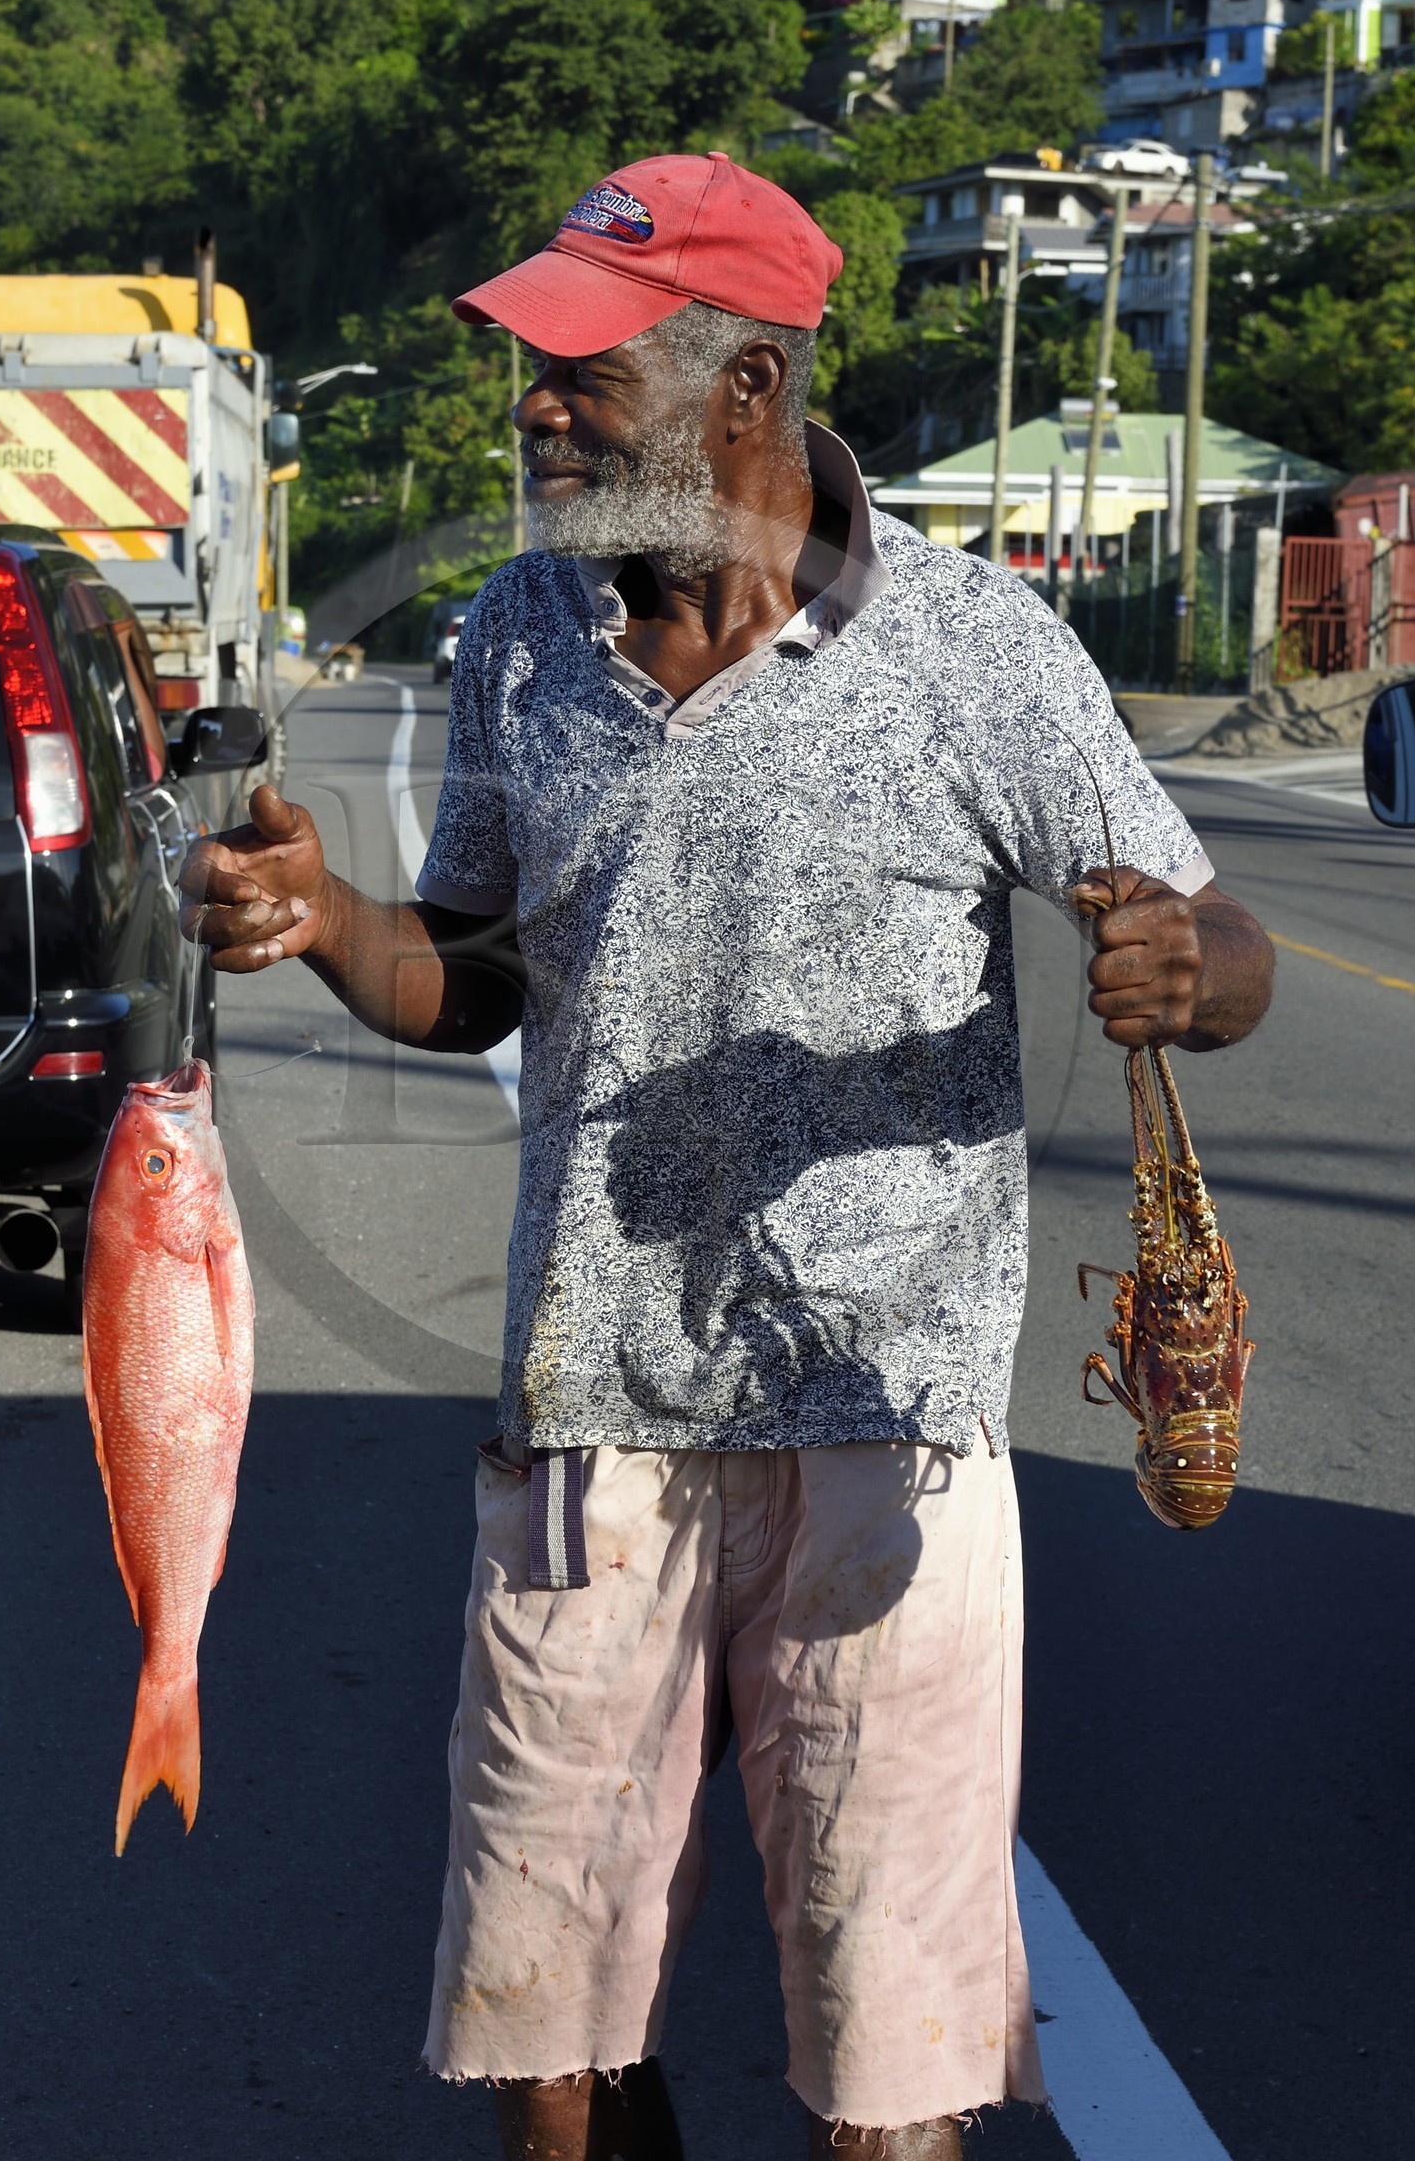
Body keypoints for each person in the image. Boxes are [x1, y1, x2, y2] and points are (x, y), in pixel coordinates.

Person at [180, 151, 1274, 2158]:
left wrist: (1173, 968)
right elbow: (480, 978)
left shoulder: (974, 650)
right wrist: (323, 917)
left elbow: (1220, 939)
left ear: (745, 395)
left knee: (888, 2053)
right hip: (588, 1415)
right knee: (543, 2035)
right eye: (534, 363)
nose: (532, 406)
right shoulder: (520, 632)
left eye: (583, 370)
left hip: (889, 1439)